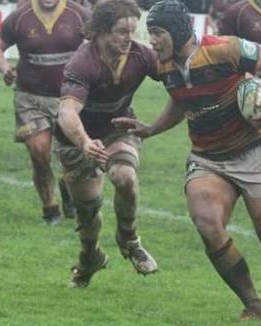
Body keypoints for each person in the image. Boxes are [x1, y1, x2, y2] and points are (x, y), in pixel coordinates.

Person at [116, 0, 261, 321]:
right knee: (207, 223)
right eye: (150, 33)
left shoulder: (224, 49)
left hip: (253, 152)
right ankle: (254, 305)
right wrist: (150, 129)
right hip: (207, 159)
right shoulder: (166, 65)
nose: (152, 40)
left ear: (178, 31)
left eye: (157, 33)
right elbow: (181, 101)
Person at [55, 0, 160, 287]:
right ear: (101, 30)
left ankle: (129, 240)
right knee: (88, 214)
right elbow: (66, 112)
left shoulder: (141, 56)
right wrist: (84, 142)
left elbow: (177, 77)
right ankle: (91, 258)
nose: (129, 38)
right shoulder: (83, 62)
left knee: (124, 176)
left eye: (133, 31)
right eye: (121, 31)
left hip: (118, 129)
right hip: (76, 139)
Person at [0, 0, 89, 225]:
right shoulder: (20, 16)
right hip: (30, 96)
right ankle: (50, 209)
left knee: (75, 156)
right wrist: (4, 68)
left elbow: (99, 43)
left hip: (70, 100)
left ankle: (66, 185)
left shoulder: (79, 13)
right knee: (39, 152)